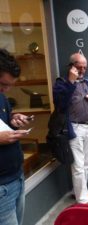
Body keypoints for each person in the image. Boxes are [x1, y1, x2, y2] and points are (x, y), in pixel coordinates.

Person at [53, 53, 88, 204]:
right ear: (71, 66)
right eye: (79, 67)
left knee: (87, 163)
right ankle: (82, 201)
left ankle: (82, 192)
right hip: (74, 129)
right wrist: (71, 82)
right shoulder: (62, 83)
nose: (82, 70)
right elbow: (60, 104)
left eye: (85, 67)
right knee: (78, 166)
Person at [0, 49, 34, 225]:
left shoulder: (1, 97)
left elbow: (5, 121)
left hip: (17, 177)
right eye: (3, 84)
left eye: (9, 85)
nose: (5, 89)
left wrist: (15, 120)